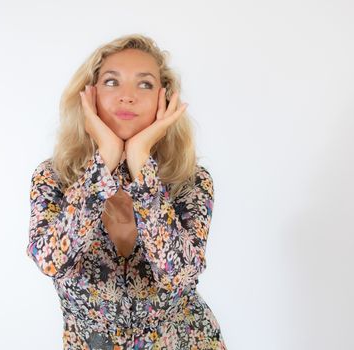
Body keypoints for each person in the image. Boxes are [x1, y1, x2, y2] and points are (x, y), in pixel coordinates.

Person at [26, 33, 227, 350]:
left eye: (144, 84)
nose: (127, 96)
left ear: (165, 100)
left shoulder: (190, 181)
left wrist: (140, 162)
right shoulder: (54, 178)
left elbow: (178, 274)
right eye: (111, 82)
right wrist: (104, 159)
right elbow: (52, 261)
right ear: (88, 95)